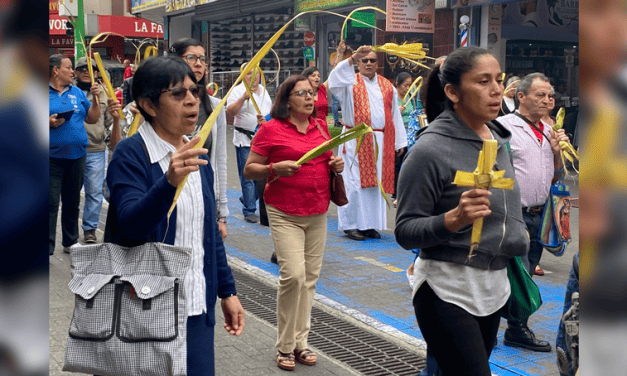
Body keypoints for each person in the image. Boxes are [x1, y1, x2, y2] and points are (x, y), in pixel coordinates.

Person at [106, 55, 245, 375]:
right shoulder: (131, 154)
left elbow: (207, 233)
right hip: (144, 307)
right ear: (149, 105)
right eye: (178, 94)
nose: (192, 100)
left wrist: (227, 291)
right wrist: (169, 182)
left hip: (197, 304)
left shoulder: (197, 153)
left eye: (194, 92)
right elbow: (131, 224)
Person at [395, 46, 529, 376]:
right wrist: (453, 219)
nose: (497, 89)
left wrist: (519, 235)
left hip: (495, 287)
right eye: (483, 81)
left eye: (498, 79)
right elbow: (405, 230)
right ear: (453, 92)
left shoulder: (499, 140)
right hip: (446, 288)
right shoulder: (429, 150)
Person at [243, 75, 344, 371]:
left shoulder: (321, 127)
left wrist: (335, 165)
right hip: (284, 211)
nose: (310, 98)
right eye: (303, 93)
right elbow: (249, 170)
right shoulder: (270, 129)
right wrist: (275, 168)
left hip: (317, 210)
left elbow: (327, 160)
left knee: (310, 279)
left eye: (312, 93)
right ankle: (285, 345)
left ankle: (301, 342)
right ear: (287, 100)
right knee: (294, 276)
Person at [496, 72, 570, 352]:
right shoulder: (504, 127)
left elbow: (557, 175)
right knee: (513, 271)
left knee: (526, 272)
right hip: (514, 212)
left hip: (541, 215)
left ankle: (516, 328)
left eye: (550, 95)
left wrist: (555, 150)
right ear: (521, 96)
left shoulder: (549, 130)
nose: (548, 100)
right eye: (540, 95)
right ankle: (499, 326)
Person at [328, 42, 407, 241]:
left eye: (372, 60)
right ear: (358, 62)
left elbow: (394, 114)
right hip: (355, 138)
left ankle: (370, 225)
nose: (369, 63)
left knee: (375, 184)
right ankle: (351, 225)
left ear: (377, 63)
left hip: (381, 140)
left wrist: (400, 142)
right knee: (354, 183)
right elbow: (333, 79)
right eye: (364, 60)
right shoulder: (349, 82)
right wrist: (351, 58)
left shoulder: (387, 85)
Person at [170, 37, 229, 240]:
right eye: (191, 57)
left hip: (204, 196)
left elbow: (219, 160)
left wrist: (222, 214)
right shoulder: (161, 102)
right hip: (171, 194)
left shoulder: (215, 107)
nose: (198, 63)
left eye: (202, 59)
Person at [49, 54, 102, 255]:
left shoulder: (78, 92)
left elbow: (92, 118)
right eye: (69, 67)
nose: (73, 72)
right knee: (50, 203)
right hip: (50, 158)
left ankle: (70, 242)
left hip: (77, 156)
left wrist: (95, 100)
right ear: (56, 70)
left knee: (72, 202)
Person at [73, 56, 112, 244]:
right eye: (82, 70)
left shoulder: (105, 94)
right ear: (76, 73)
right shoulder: (68, 92)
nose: (87, 73)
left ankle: (89, 229)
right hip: (71, 150)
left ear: (97, 74)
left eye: (91, 71)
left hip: (96, 150)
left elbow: (111, 122)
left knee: (94, 192)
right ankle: (70, 231)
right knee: (71, 193)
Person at [226, 64, 272, 223]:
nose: (253, 77)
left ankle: (248, 198)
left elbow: (270, 113)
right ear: (243, 75)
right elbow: (230, 112)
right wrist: (243, 97)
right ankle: (249, 210)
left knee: (261, 175)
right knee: (248, 176)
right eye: (249, 73)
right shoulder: (238, 90)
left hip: (263, 139)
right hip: (244, 140)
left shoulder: (264, 91)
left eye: (256, 73)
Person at [329, 43, 353, 127]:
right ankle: (336, 121)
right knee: (335, 102)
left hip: (346, 83)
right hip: (337, 82)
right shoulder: (335, 55)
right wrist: (338, 53)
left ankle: (345, 120)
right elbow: (333, 64)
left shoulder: (349, 60)